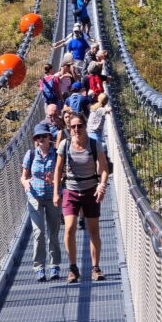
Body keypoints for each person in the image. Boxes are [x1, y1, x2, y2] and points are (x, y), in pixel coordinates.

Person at [53, 112, 110, 283]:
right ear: (69, 128)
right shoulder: (65, 144)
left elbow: (105, 168)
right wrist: (56, 192)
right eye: (73, 127)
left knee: (93, 230)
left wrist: (102, 185)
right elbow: (58, 169)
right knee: (70, 228)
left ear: (85, 126)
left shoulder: (95, 144)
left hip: (90, 190)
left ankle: (96, 268)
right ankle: (73, 268)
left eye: (80, 126)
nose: (77, 129)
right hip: (71, 190)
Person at [22, 124, 62, 281]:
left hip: (53, 197)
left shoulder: (58, 154)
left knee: (53, 233)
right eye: (38, 137)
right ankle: (39, 267)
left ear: (49, 137)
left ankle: (54, 266)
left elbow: (63, 175)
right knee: (38, 233)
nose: (41, 140)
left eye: (43, 136)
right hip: (35, 197)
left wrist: (54, 180)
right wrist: (25, 184)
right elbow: (23, 176)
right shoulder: (31, 154)